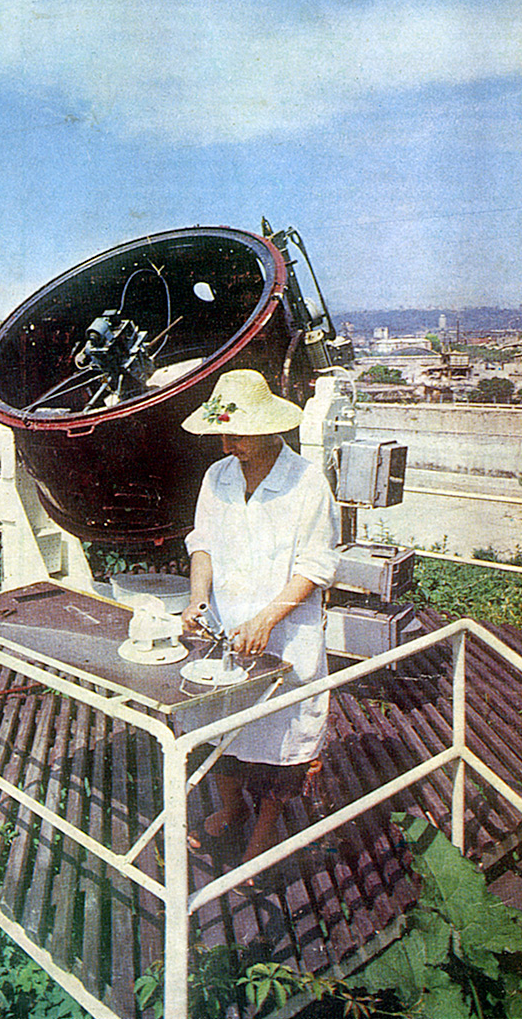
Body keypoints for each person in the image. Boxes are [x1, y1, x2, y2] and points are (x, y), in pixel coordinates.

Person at [178, 369, 338, 873]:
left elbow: (316, 565)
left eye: (239, 435)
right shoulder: (217, 476)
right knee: (220, 730)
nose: (228, 445)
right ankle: (231, 808)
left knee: (282, 739)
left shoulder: (306, 482)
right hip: (226, 630)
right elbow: (203, 543)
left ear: (270, 429)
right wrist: (197, 600)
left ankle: (264, 833)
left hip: (286, 632)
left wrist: (269, 618)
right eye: (222, 435)